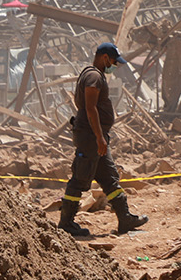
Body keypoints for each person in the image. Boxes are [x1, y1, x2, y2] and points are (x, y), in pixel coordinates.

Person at [58, 41, 148, 238]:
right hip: (91, 136)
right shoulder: (93, 76)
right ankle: (66, 223)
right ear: (104, 58)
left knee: (109, 176)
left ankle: (125, 218)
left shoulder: (92, 75)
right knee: (80, 177)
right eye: (113, 61)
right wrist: (99, 136)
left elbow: (81, 102)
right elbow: (90, 108)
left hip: (96, 136)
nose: (114, 65)